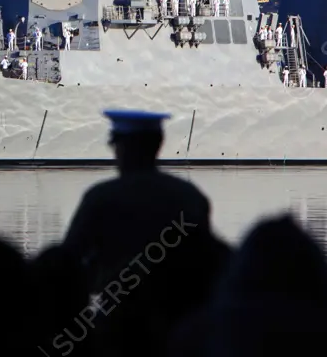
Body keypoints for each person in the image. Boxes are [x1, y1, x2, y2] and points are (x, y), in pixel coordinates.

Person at [62, 110, 230, 357]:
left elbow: (67, 262)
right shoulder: (189, 197)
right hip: (178, 325)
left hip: (118, 325)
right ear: (158, 145)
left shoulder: (101, 198)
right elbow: (211, 259)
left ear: (121, 148)